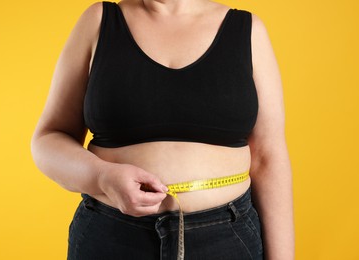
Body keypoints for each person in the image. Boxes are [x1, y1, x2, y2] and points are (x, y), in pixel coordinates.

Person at [31, 0, 294, 259]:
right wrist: (102, 177)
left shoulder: (248, 29)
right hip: (110, 235)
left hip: (226, 239)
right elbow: (48, 139)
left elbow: (268, 157)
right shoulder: (99, 20)